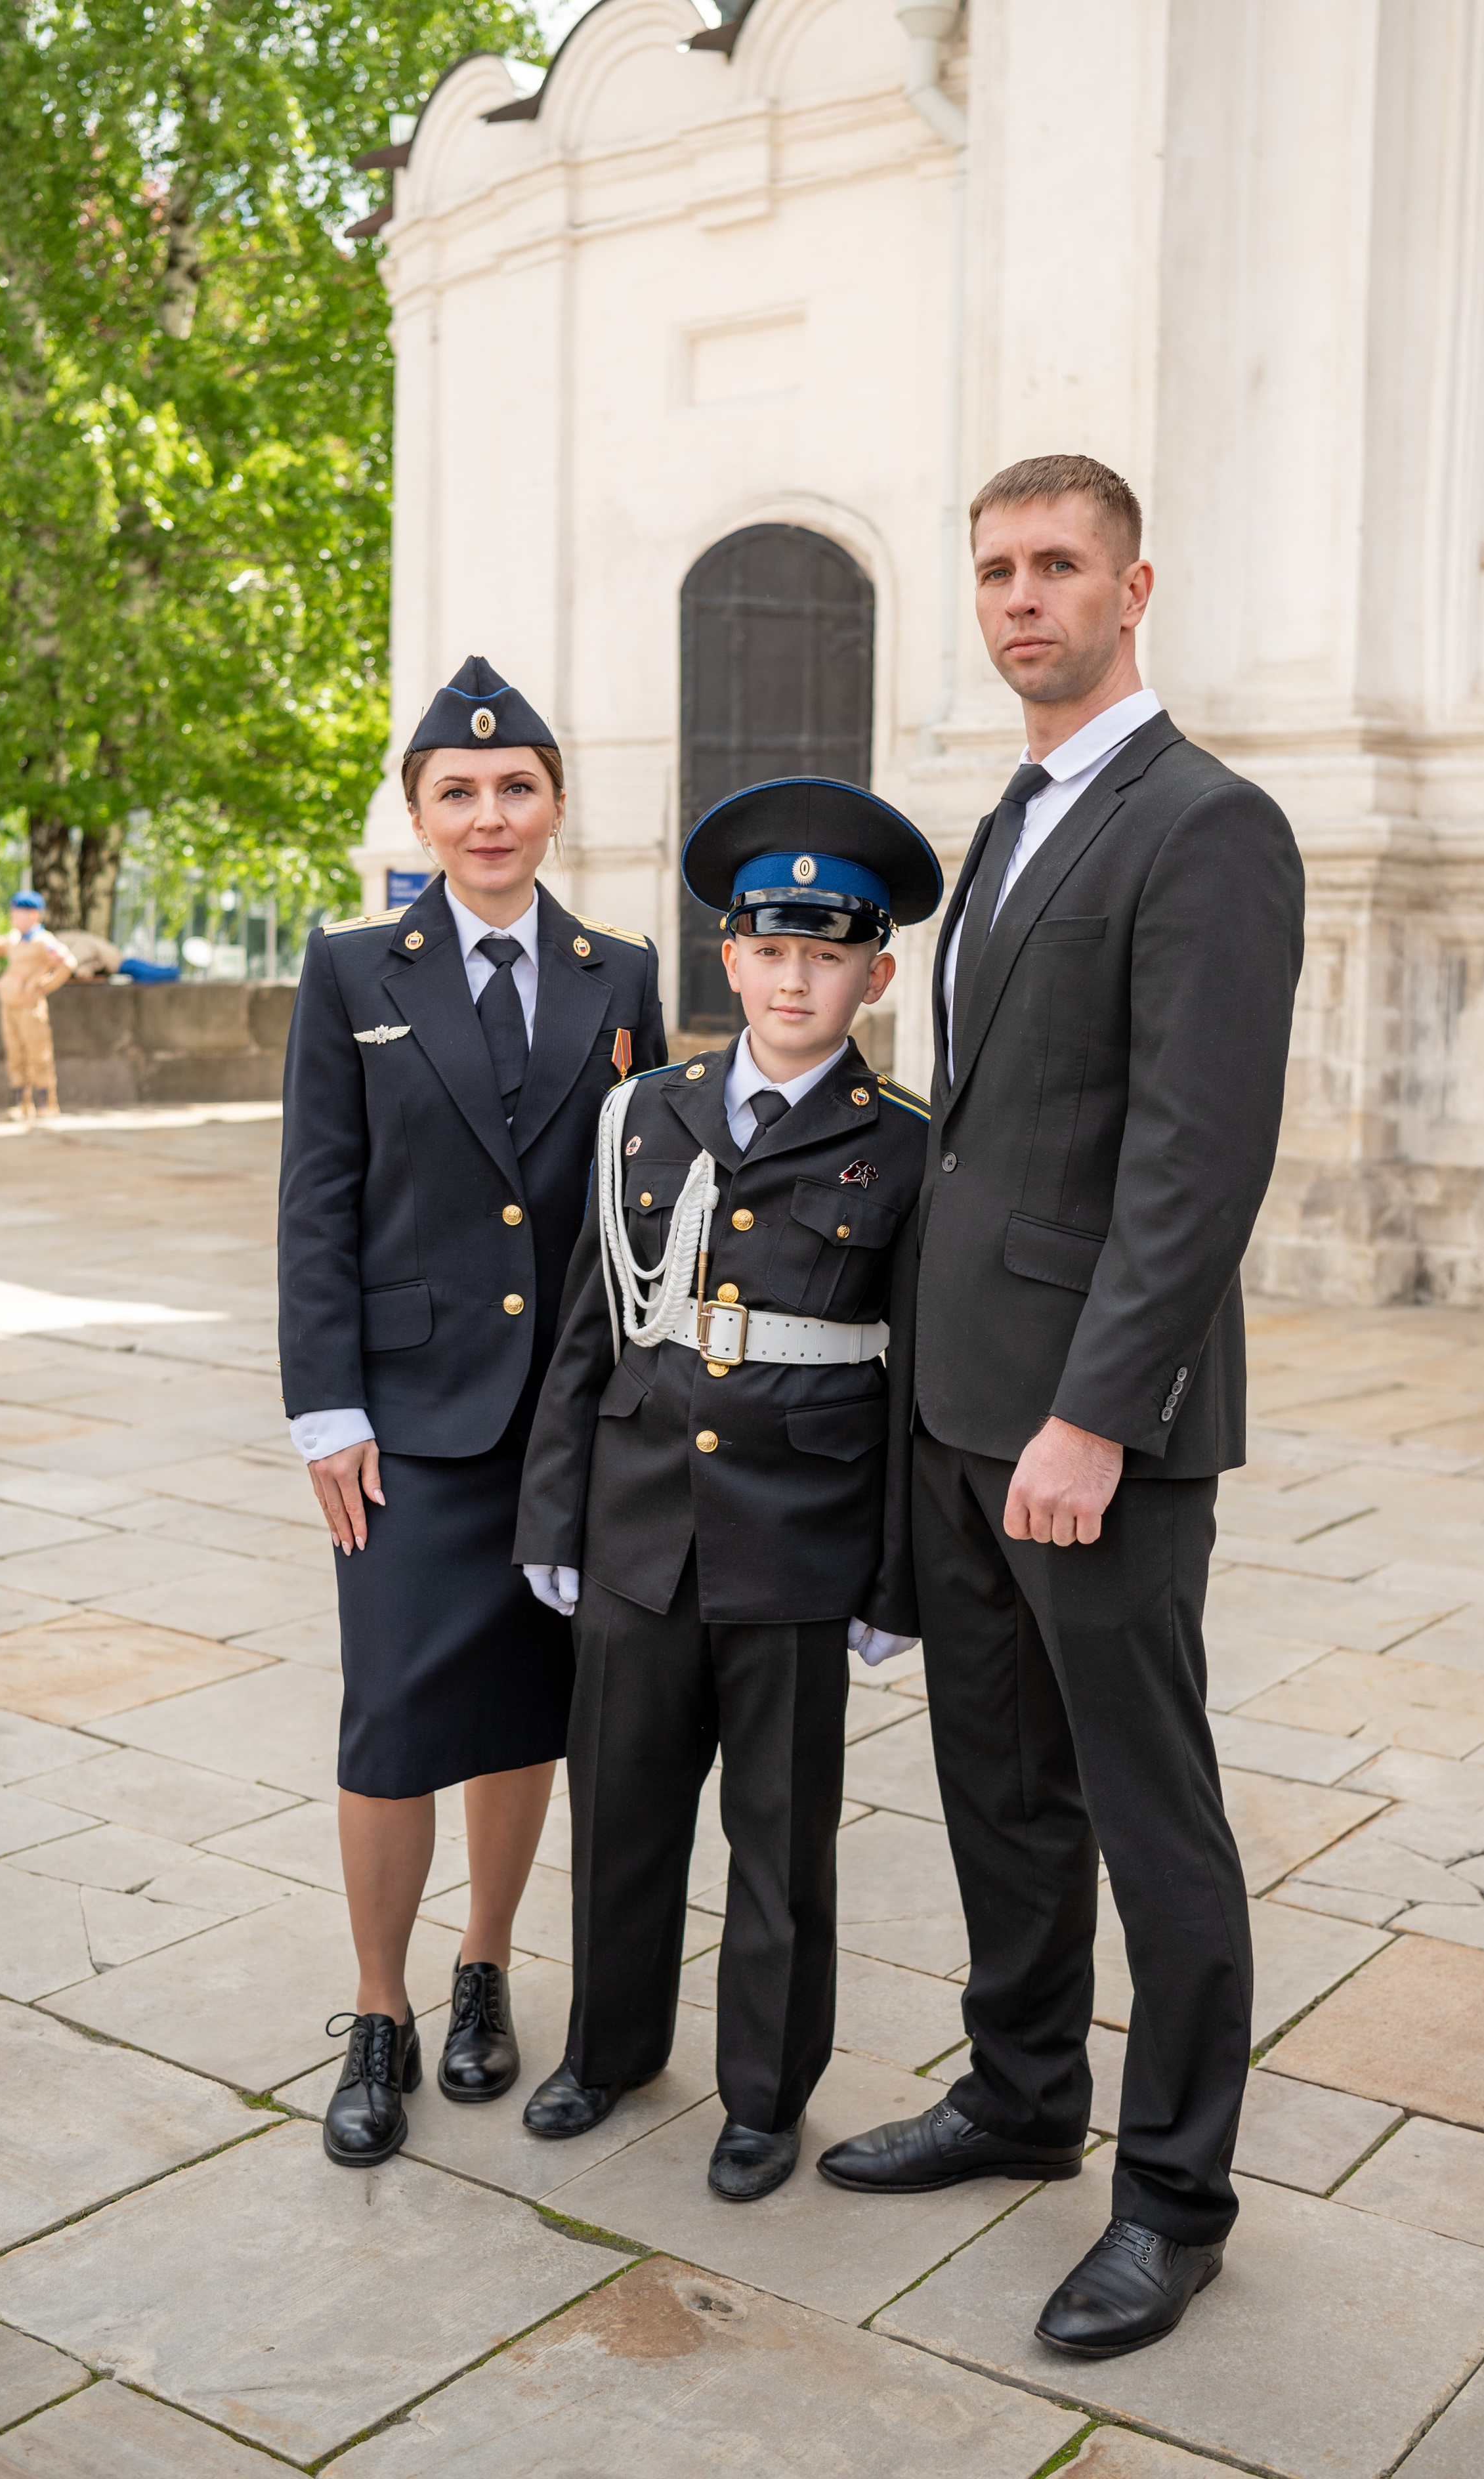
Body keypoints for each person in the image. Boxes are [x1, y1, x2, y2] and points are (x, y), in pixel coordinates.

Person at [816, 456, 1304, 2358]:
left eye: (1057, 567)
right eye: (997, 570)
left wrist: (1096, 1416)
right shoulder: (1016, 817)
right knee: (1000, 1789)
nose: (1023, 598)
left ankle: (1175, 2198)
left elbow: (1196, 1157)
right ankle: (1022, 2096)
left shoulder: (1207, 826)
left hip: (1094, 1437)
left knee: (1148, 1807)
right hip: (963, 1412)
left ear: (1134, 585)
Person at [513, 779, 941, 2201]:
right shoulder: (646, 1114)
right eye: (771, 950)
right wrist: (552, 1514)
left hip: (797, 1543)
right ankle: (606, 2048)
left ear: (873, 975)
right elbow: (593, 1324)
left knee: (779, 1839)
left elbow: (911, 1382)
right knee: (619, 1814)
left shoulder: (907, 1148)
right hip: (638, 1526)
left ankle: (763, 2095)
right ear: (731, 959)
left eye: (828, 956)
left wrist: (894, 1576)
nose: (794, 979)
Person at [277, 655, 667, 2168]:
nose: (489, 813)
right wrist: (327, 1407)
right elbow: (318, 1199)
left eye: (515, 788)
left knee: (523, 1713)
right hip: (405, 1418)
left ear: (555, 805)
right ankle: (376, 2006)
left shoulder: (615, 972)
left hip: (565, 1423)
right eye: (459, 791)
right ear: (421, 812)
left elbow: (634, 1194)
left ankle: (481, 1968)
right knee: (386, 1721)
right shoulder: (351, 966)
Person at [0, 891, 76, 1119]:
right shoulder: (15, 938)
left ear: (34, 915)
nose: (14, 918)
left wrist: (45, 986)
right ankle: (21, 1103)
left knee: (38, 1051)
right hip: (9, 1003)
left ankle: (46, 1102)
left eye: (19, 914)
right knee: (15, 1053)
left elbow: (68, 962)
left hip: (30, 1006)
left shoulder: (43, 941)